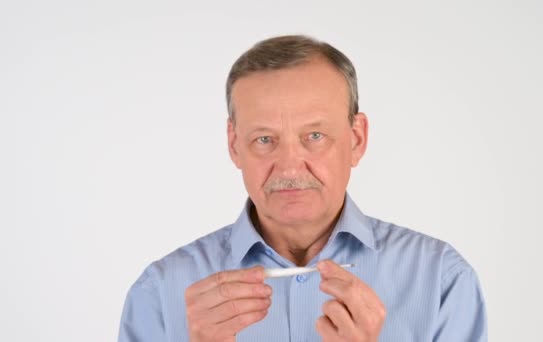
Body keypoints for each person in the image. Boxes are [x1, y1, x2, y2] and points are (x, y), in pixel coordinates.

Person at [118, 35, 487, 342]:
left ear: (356, 139)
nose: (290, 166)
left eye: (314, 136)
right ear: (234, 145)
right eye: (264, 139)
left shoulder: (441, 280)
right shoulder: (160, 291)